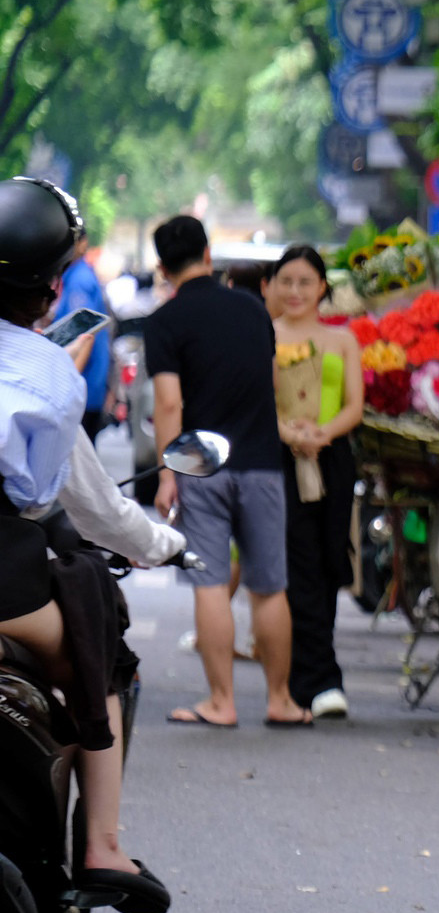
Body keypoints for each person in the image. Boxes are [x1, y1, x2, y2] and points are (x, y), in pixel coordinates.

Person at [0, 177, 179, 913]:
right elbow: (62, 499)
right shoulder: (43, 370)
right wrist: (161, 542)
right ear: (49, 290)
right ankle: (102, 842)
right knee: (96, 647)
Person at [144, 215, 312, 728]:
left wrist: (167, 473)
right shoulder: (252, 310)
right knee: (269, 586)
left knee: (211, 585)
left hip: (201, 468)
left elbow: (169, 403)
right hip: (262, 462)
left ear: (163, 268)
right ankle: (281, 699)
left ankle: (221, 702)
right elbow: (263, 378)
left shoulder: (165, 322)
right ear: (208, 255)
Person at [268, 245, 361, 719]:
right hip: (283, 462)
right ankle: (318, 678)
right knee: (297, 564)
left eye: (305, 282)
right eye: (286, 281)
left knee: (328, 561)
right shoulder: (265, 337)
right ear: (273, 286)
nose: (295, 291)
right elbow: (261, 402)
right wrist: (289, 435)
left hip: (332, 459)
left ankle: (314, 671)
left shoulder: (342, 340)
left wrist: (322, 434)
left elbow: (354, 406)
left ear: (323, 286)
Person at [50, 236, 110, 440]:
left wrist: (68, 385)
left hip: (81, 389)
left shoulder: (79, 280)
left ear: (83, 243)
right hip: (86, 388)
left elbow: (84, 336)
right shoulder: (76, 275)